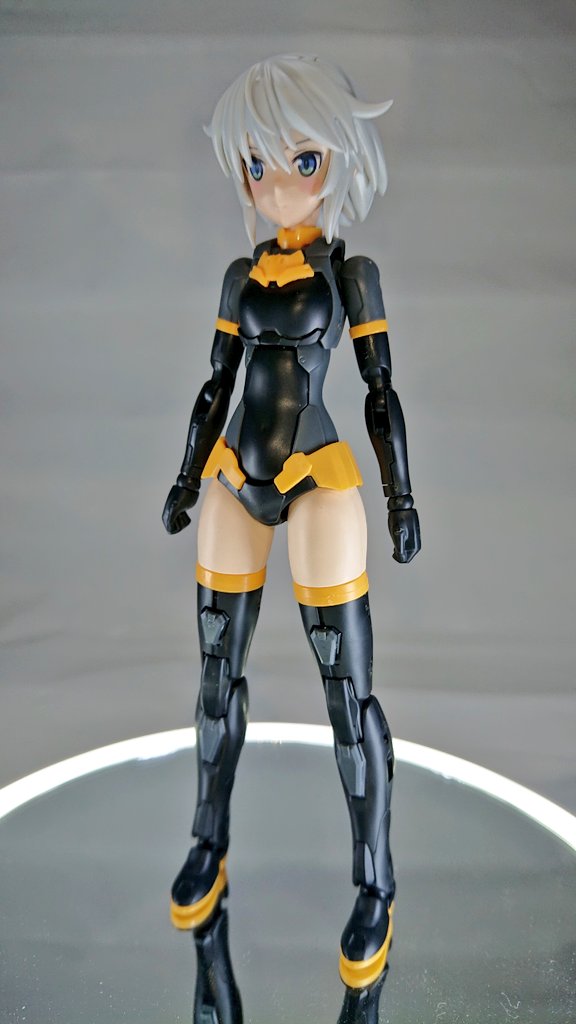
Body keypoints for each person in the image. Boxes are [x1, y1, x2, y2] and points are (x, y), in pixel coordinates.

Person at [162, 54, 421, 989]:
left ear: (338, 160)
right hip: (237, 470)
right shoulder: (240, 275)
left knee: (347, 697)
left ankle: (375, 884)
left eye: (302, 160)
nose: (277, 184)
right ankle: (208, 842)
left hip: (316, 474)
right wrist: (187, 475)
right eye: (257, 165)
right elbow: (215, 386)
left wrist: (399, 495)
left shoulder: (352, 275)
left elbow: (381, 393)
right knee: (214, 680)